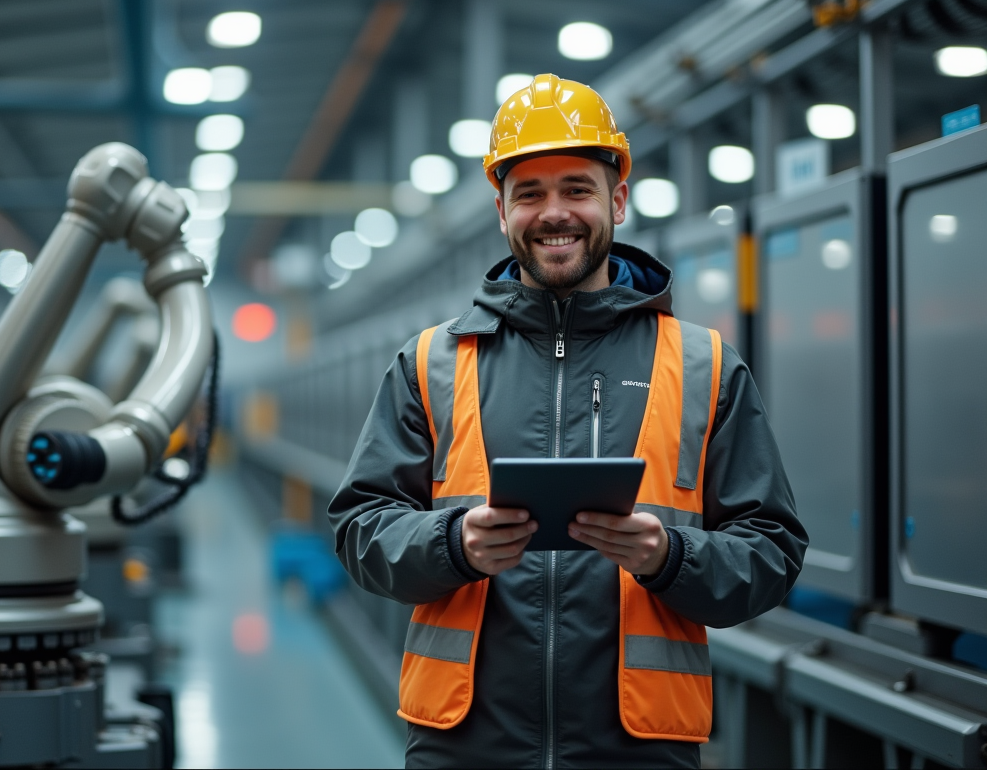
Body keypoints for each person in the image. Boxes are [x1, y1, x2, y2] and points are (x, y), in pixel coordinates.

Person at [329, 73, 806, 769]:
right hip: (465, 745)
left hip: (639, 748)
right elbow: (358, 528)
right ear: (502, 211)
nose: (555, 213)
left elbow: (772, 551)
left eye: (577, 189)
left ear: (616, 199)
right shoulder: (430, 363)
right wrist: (451, 543)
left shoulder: (703, 364)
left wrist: (669, 556)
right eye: (530, 194)